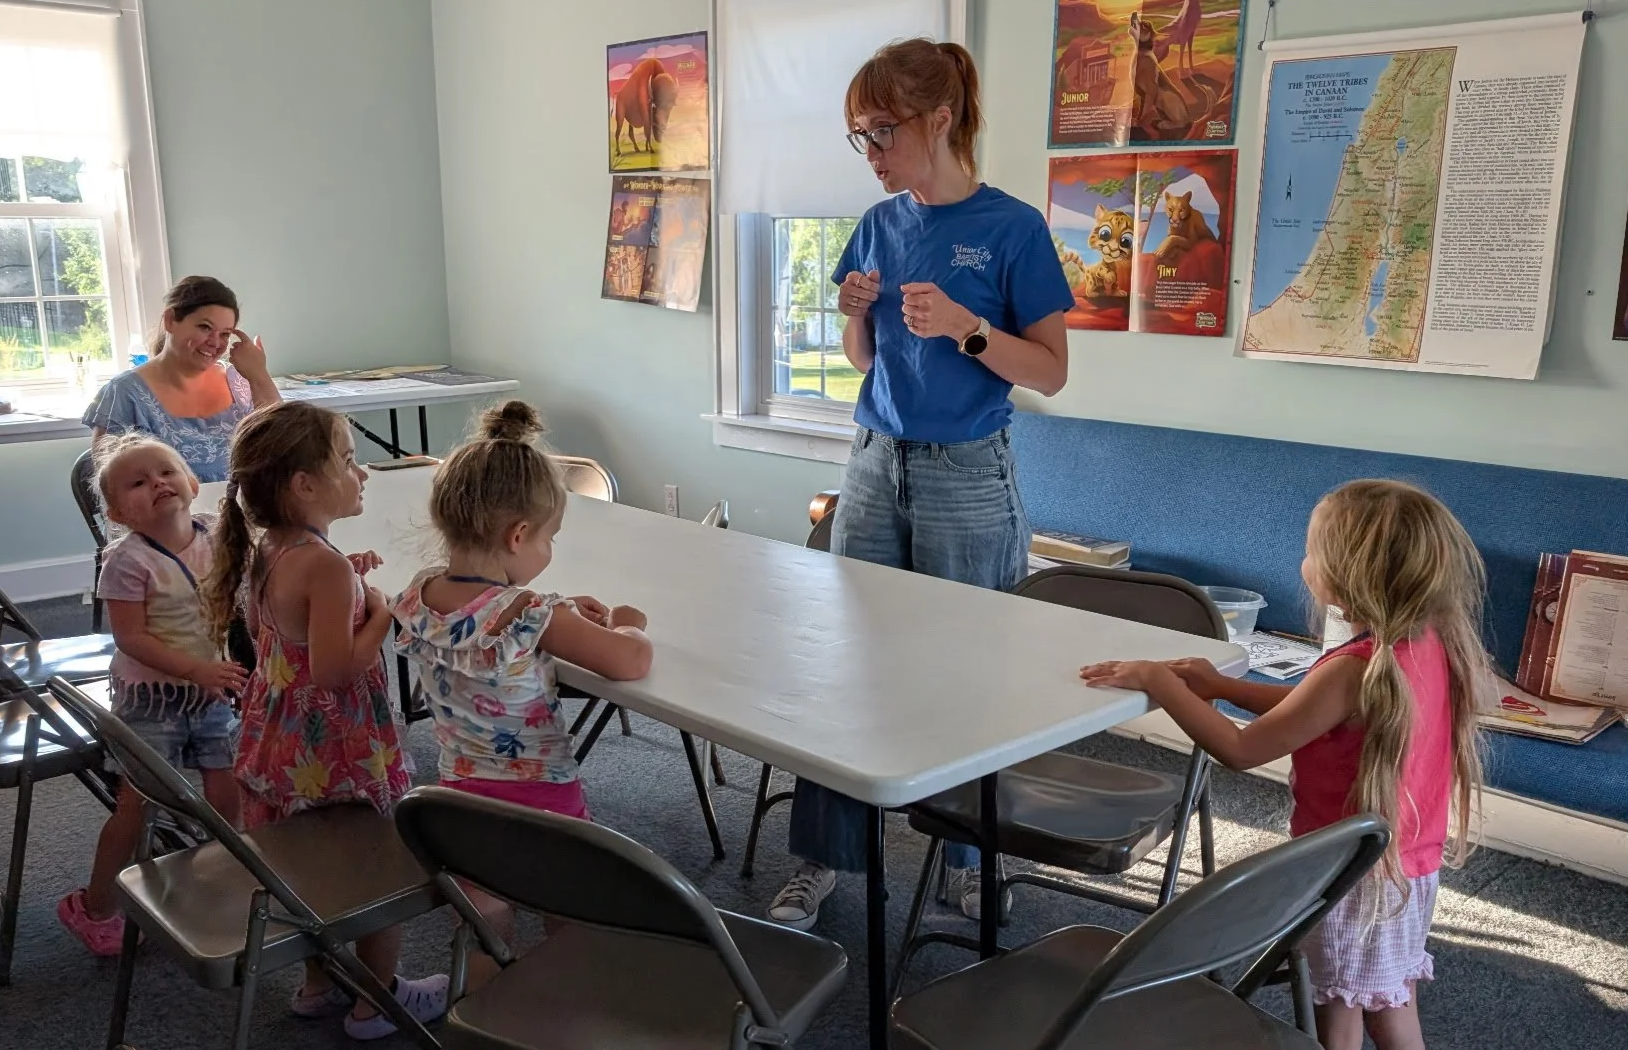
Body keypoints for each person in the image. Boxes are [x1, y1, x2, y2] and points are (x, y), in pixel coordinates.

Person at [768, 38, 1075, 931]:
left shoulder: (1012, 228)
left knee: (966, 677)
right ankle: (820, 860)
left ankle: (970, 860)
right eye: (857, 135)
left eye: (881, 130)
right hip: (872, 461)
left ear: (940, 120)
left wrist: (969, 327)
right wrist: (853, 317)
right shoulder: (879, 223)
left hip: (968, 476)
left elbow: (1051, 373)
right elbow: (865, 360)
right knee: (844, 669)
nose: (871, 152)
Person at [1080, 479, 1490, 1050]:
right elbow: (1313, 714)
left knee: (1358, 1010)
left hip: (1353, 880)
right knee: (1385, 999)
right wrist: (1221, 686)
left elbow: (1242, 750)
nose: (1304, 563)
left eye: (1311, 551)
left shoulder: (1354, 668)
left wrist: (1160, 683)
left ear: (1348, 574)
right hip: (1404, 868)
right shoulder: (1424, 644)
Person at [201, 401, 445, 1041]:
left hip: (278, 743)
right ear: (304, 485)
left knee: (312, 867)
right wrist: (383, 613)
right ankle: (378, 1003)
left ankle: (319, 987)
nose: (362, 473)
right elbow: (334, 672)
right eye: (349, 460)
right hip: (338, 746)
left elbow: (280, 637)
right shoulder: (325, 565)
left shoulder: (275, 548)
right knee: (373, 865)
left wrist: (349, 588)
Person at [391, 399, 653, 989]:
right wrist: (629, 622)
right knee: (574, 922)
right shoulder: (527, 613)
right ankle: (570, 1012)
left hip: (457, 805)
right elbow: (629, 661)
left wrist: (558, 606)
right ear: (518, 534)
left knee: (488, 930)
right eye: (550, 538)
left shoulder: (416, 594)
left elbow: (483, 610)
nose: (549, 551)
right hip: (542, 806)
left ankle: (485, 1016)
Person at [56, 435, 244, 955]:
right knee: (138, 804)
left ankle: (225, 872)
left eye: (165, 472)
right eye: (138, 483)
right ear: (118, 512)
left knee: (227, 784)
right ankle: (94, 908)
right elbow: (130, 637)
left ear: (192, 483)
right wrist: (196, 669)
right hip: (151, 698)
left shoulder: (218, 537)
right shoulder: (127, 560)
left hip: (209, 687)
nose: (157, 483)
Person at [84, 276, 279, 482]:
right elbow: (114, 489)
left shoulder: (240, 381)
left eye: (225, 334)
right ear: (170, 321)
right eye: (204, 327)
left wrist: (259, 375)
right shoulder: (124, 394)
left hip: (247, 511)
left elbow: (283, 447)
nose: (215, 342)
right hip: (169, 514)